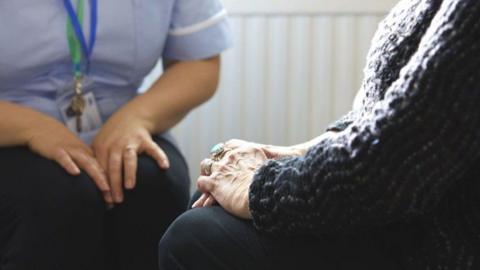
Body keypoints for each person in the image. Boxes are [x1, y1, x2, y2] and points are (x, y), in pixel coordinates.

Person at [158, 0, 480, 269]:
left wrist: (258, 188)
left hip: (435, 245)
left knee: (195, 236)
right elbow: (385, 114)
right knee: (208, 202)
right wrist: (285, 154)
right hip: (401, 217)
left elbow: (396, 159)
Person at [0, 1, 232, 269]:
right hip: (10, 125)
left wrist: (137, 118)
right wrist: (32, 128)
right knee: (55, 199)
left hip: (119, 114)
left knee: (154, 184)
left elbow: (198, 63)